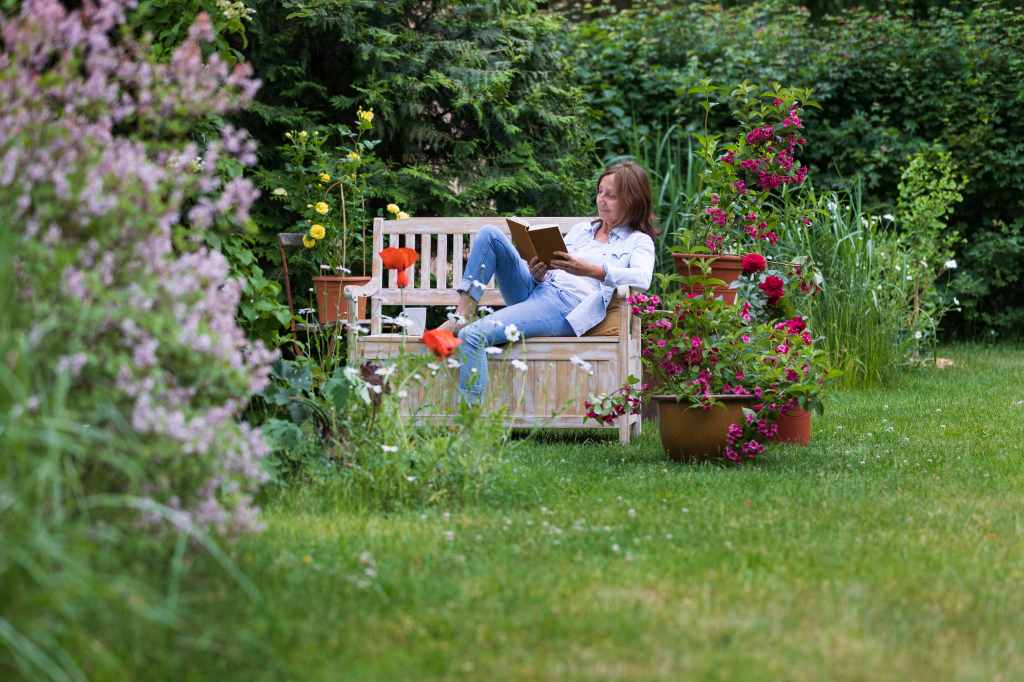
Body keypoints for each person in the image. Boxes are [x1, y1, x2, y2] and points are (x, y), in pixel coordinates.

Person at [442, 160, 658, 405]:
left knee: (474, 336)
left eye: (611, 196)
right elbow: (555, 268)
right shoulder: (581, 230)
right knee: (490, 234)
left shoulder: (638, 241)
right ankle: (460, 316)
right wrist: (537, 272)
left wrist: (592, 270)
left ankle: (469, 426)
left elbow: (643, 278)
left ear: (632, 201)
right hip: (539, 288)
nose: (601, 200)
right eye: (599, 192)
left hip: (564, 307)